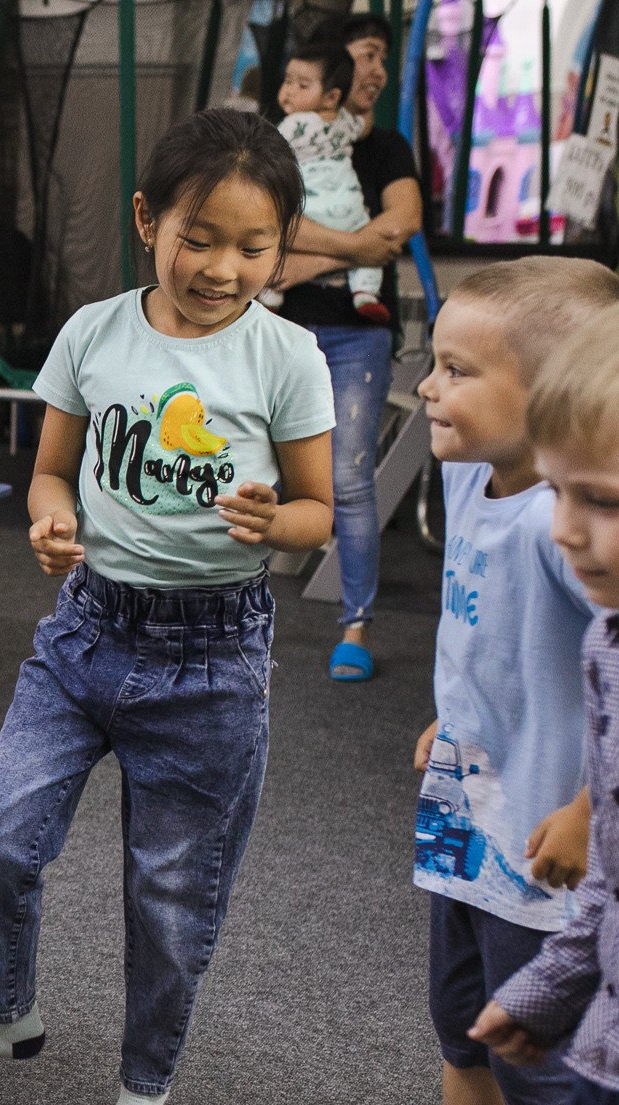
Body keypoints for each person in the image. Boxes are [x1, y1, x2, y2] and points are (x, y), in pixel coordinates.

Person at [0, 108, 335, 1105]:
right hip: (85, 632)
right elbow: (51, 470)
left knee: (171, 894)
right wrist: (49, 519)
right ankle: (7, 1016)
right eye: (199, 236)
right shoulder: (93, 333)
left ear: (282, 248)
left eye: (251, 245)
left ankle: (141, 1092)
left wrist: (272, 522)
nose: (221, 266)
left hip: (211, 657)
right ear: (148, 220)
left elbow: (321, 511)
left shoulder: (286, 355)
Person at [400, 259, 619, 1105]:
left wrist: (587, 803)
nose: (426, 389)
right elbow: (473, 633)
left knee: (534, 1070)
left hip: (544, 845)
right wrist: (450, 717)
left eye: (453, 370)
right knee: (461, 1032)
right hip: (462, 812)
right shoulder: (464, 479)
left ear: (546, 397)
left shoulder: (564, 525)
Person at [471, 302, 619, 1105]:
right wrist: (555, 988)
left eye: (599, 501)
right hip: (601, 1064)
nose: (564, 529)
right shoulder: (607, 639)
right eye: (560, 491)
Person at [271, 13, 424, 682]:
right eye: (367, 55)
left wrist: (308, 256)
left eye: (383, 58)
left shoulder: (386, 146)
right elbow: (272, 221)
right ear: (335, 74)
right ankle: (240, 615)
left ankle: (355, 626)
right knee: (261, 467)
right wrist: (356, 244)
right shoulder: (288, 140)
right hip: (285, 327)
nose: (378, 70)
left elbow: (404, 223)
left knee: (352, 478)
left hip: (361, 331)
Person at [267, 45, 387, 322]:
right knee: (365, 232)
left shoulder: (291, 125)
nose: (289, 91)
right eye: (287, 81)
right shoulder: (344, 121)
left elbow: (267, 152)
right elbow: (364, 125)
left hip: (311, 210)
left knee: (275, 236)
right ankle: (366, 293)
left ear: (331, 96)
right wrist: (365, 103)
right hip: (349, 209)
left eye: (302, 85)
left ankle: (271, 293)